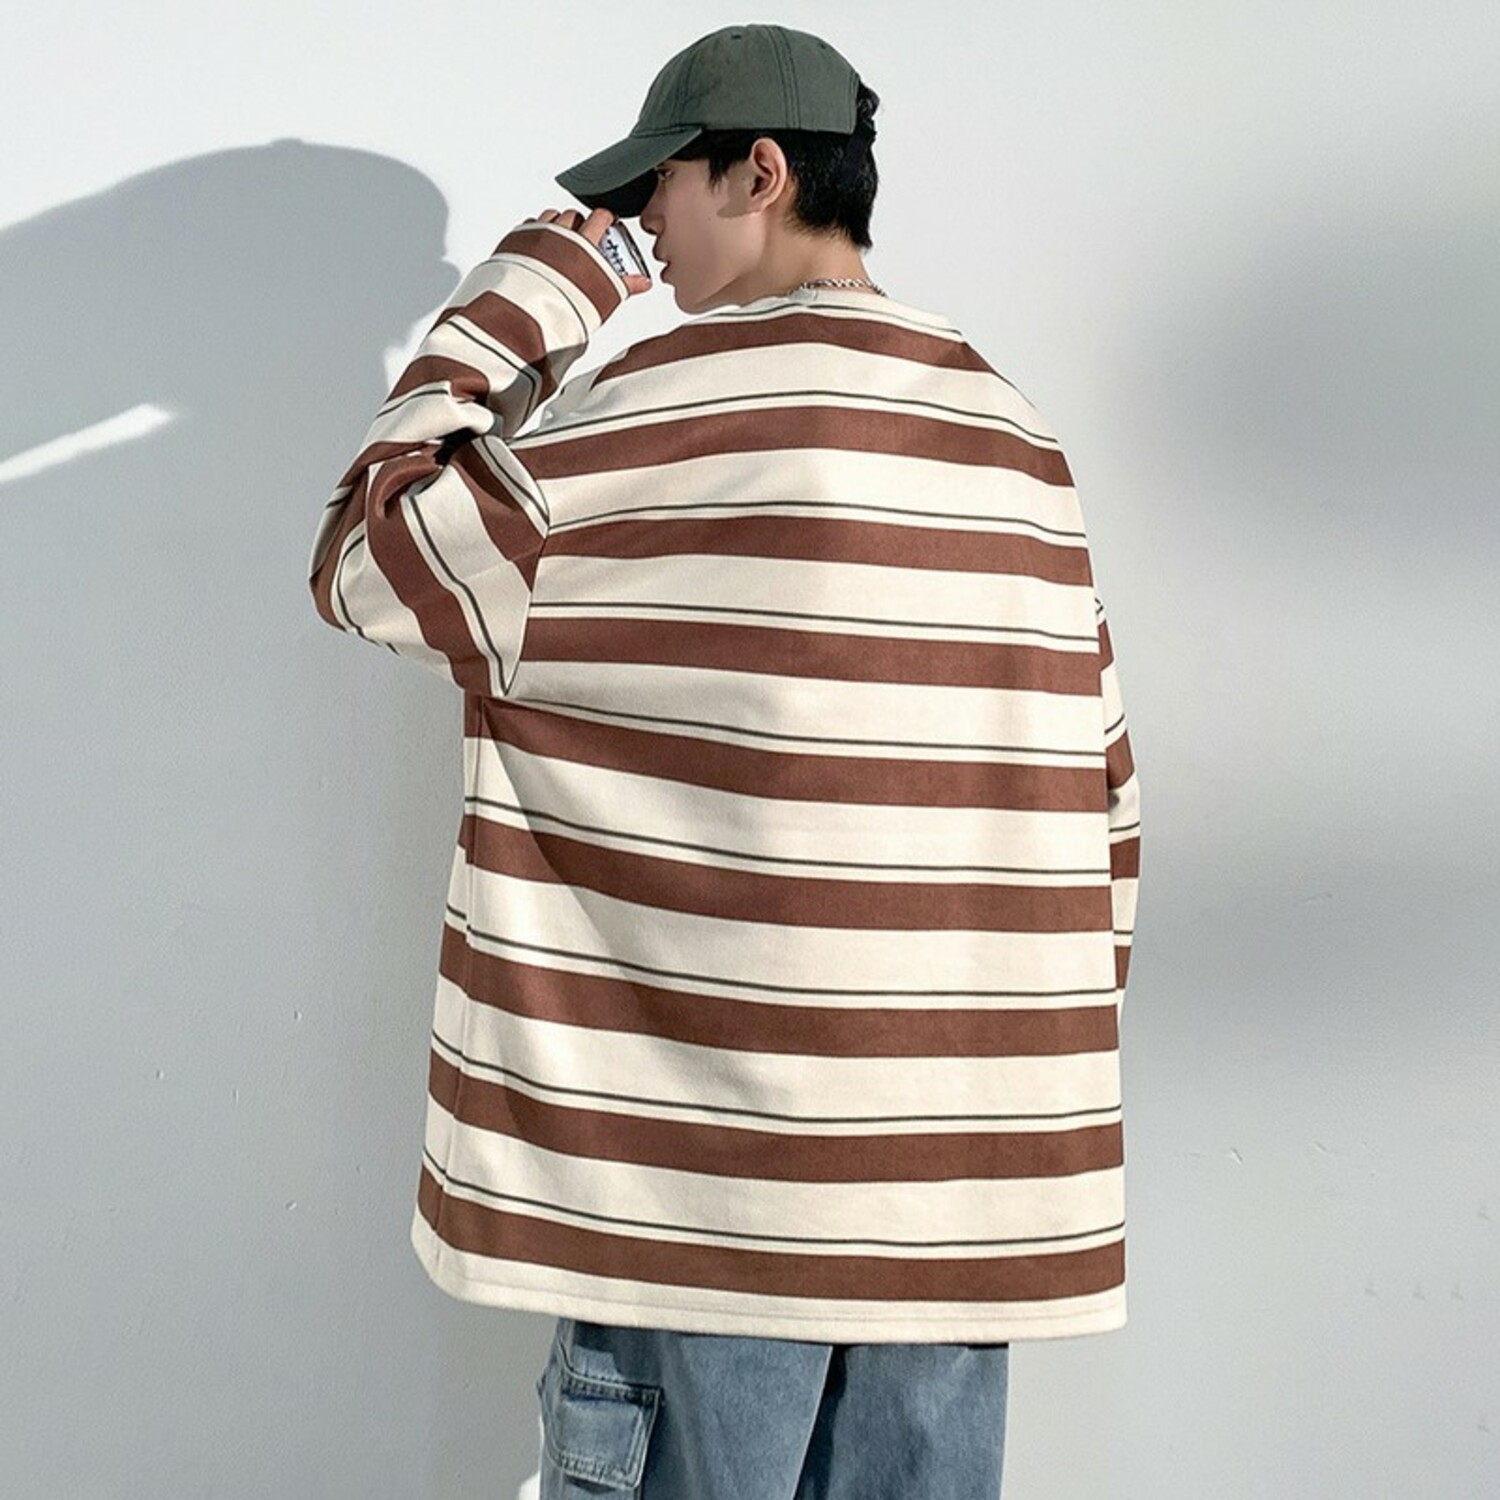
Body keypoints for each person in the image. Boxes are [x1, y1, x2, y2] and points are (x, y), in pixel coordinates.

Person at [307, 22, 1141, 1500]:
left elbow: (369, 561)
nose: (643, 227)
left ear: (759, 173)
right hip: (951, 1224)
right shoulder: (1015, 442)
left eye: (657, 188)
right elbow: (1105, 806)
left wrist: (533, 298)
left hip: (698, 1220)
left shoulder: (648, 419)